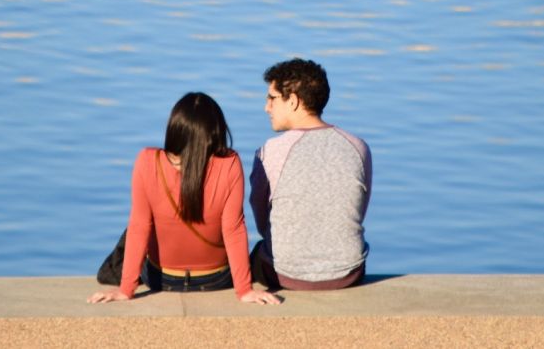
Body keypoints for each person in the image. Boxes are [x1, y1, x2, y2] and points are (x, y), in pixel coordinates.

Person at [88, 92, 280, 305]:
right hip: (216, 279)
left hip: (161, 279)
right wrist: (244, 291)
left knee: (140, 222)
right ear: (216, 131)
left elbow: (139, 227)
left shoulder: (147, 160)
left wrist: (125, 290)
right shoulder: (229, 163)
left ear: (174, 129)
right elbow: (233, 229)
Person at [249, 58, 372, 290]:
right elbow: (356, 210)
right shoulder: (358, 147)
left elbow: (262, 218)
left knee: (256, 252)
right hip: (349, 272)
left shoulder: (270, 152)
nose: (266, 107)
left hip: (284, 274)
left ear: (293, 101)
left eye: (272, 98)